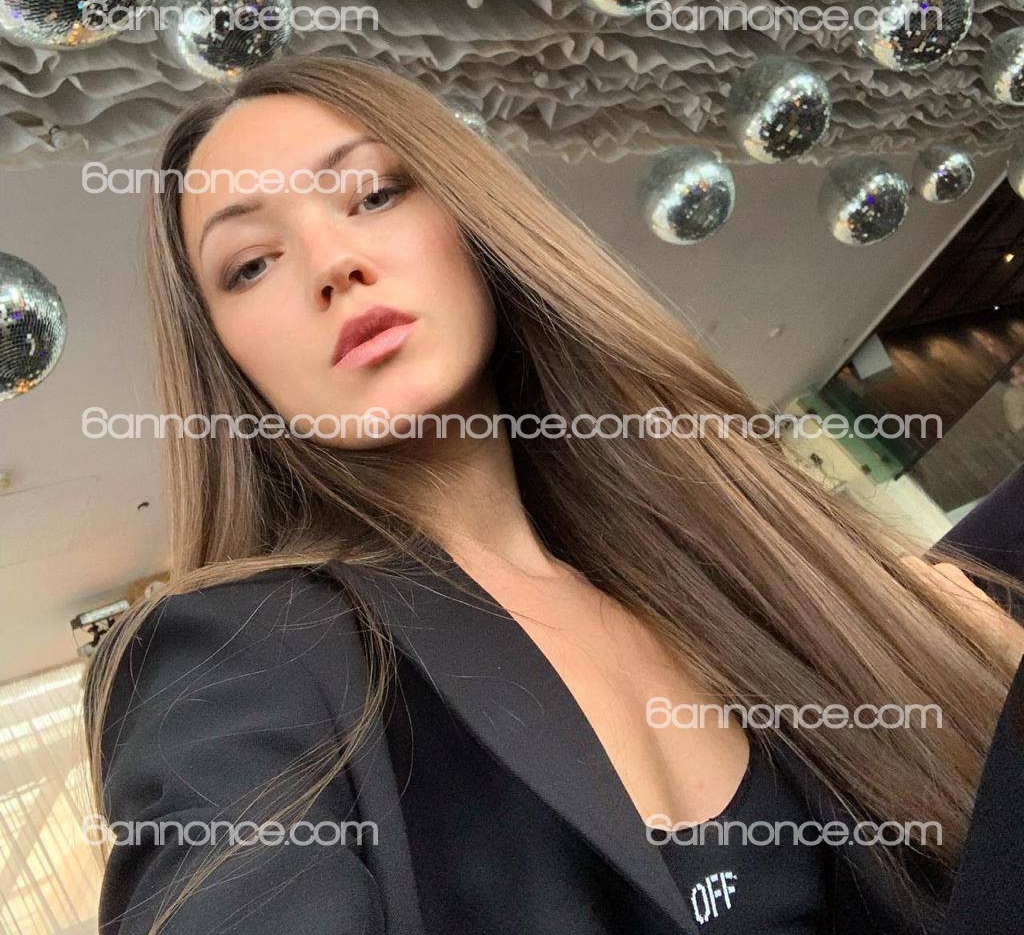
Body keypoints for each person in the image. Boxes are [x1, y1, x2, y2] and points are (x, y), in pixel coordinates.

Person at [83, 53, 1024, 935]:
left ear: (471, 223)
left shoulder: (716, 560)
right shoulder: (235, 661)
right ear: (227, 362)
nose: (332, 263)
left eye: (373, 193)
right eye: (251, 264)